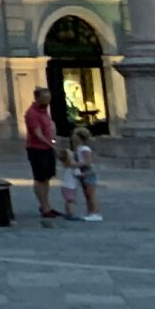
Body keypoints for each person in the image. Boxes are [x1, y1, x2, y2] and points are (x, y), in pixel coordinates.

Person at [23, 87, 61, 219]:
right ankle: (44, 207)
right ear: (37, 98)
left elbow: (49, 128)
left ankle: (46, 205)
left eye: (48, 98)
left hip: (47, 148)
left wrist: (53, 142)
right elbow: (37, 134)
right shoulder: (32, 113)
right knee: (40, 178)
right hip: (37, 149)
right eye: (45, 98)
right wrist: (52, 145)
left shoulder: (44, 111)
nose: (47, 101)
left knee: (47, 177)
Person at [67, 135, 100, 220]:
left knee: (91, 194)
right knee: (87, 194)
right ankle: (90, 212)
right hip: (83, 172)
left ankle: (95, 212)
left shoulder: (84, 149)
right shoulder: (79, 149)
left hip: (88, 172)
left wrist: (75, 165)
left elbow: (88, 162)